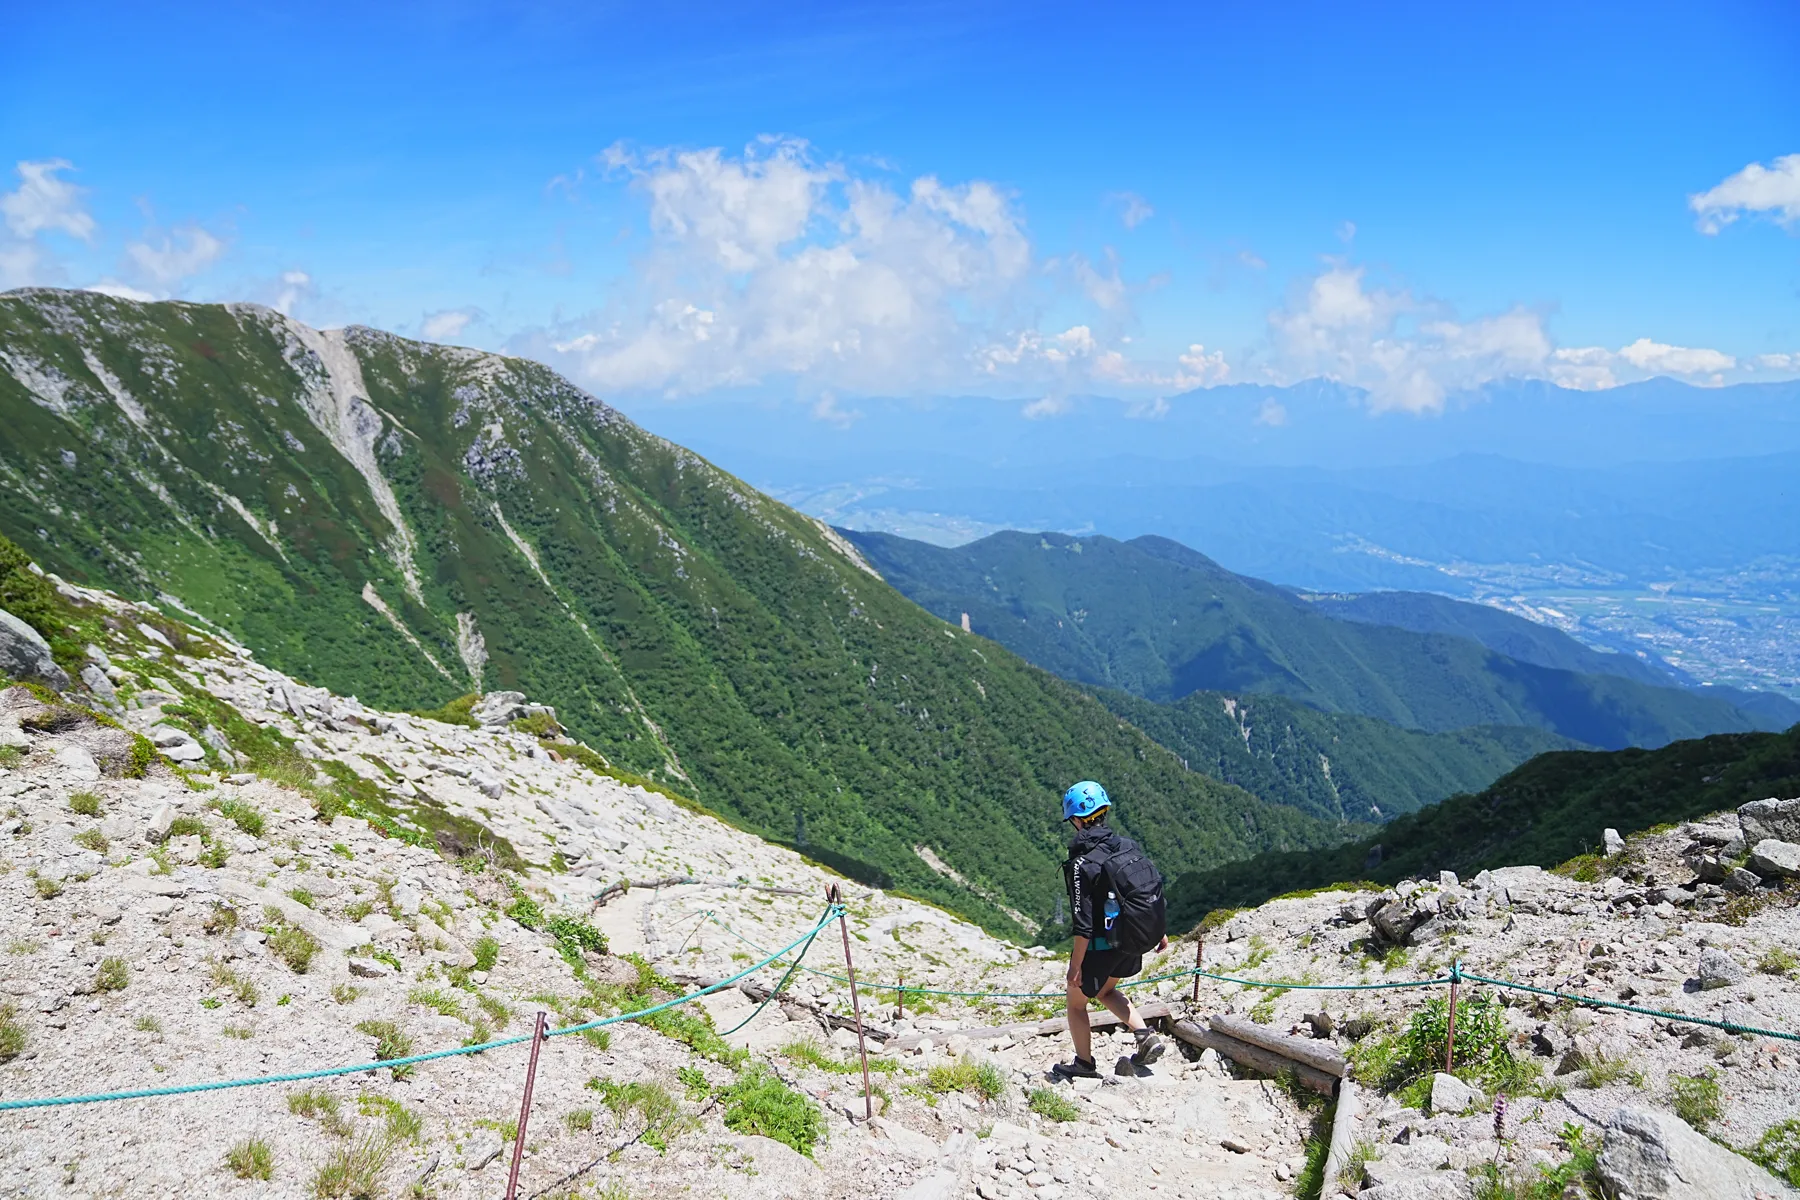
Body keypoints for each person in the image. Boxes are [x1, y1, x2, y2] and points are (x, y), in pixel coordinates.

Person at [1052, 780, 1168, 1081]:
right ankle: (1144, 1034)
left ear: (1076, 819)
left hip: (1101, 948)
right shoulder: (1127, 845)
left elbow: (1083, 922)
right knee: (1106, 990)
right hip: (1131, 941)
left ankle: (1084, 1063)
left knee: (1076, 1003)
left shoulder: (1081, 863)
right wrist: (1158, 930)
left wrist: (1075, 965)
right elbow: (1147, 889)